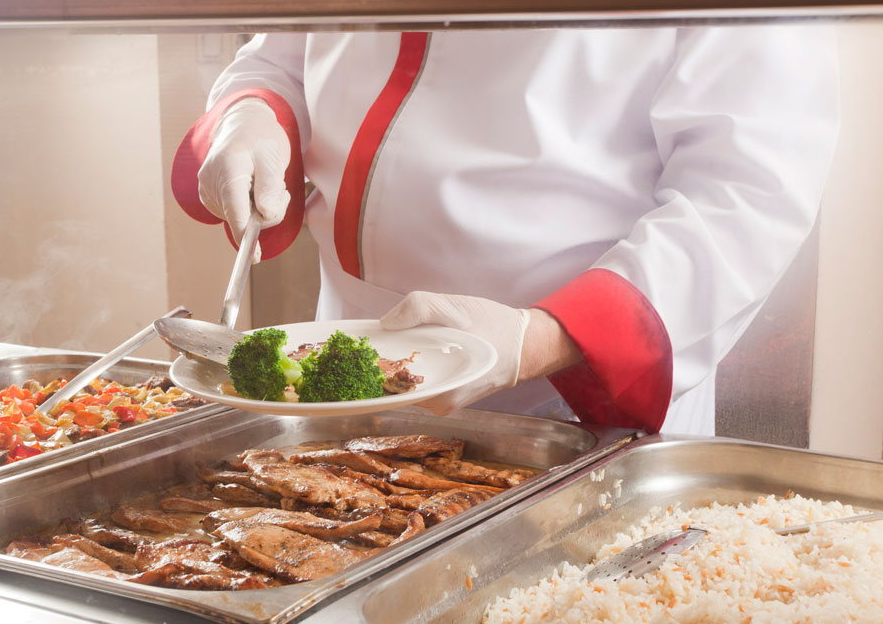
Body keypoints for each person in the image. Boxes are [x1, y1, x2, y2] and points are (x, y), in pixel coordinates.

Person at [171, 28, 839, 435]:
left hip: (566, 392)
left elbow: (745, 194)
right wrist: (252, 113)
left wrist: (539, 339)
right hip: (344, 361)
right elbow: (286, 48)